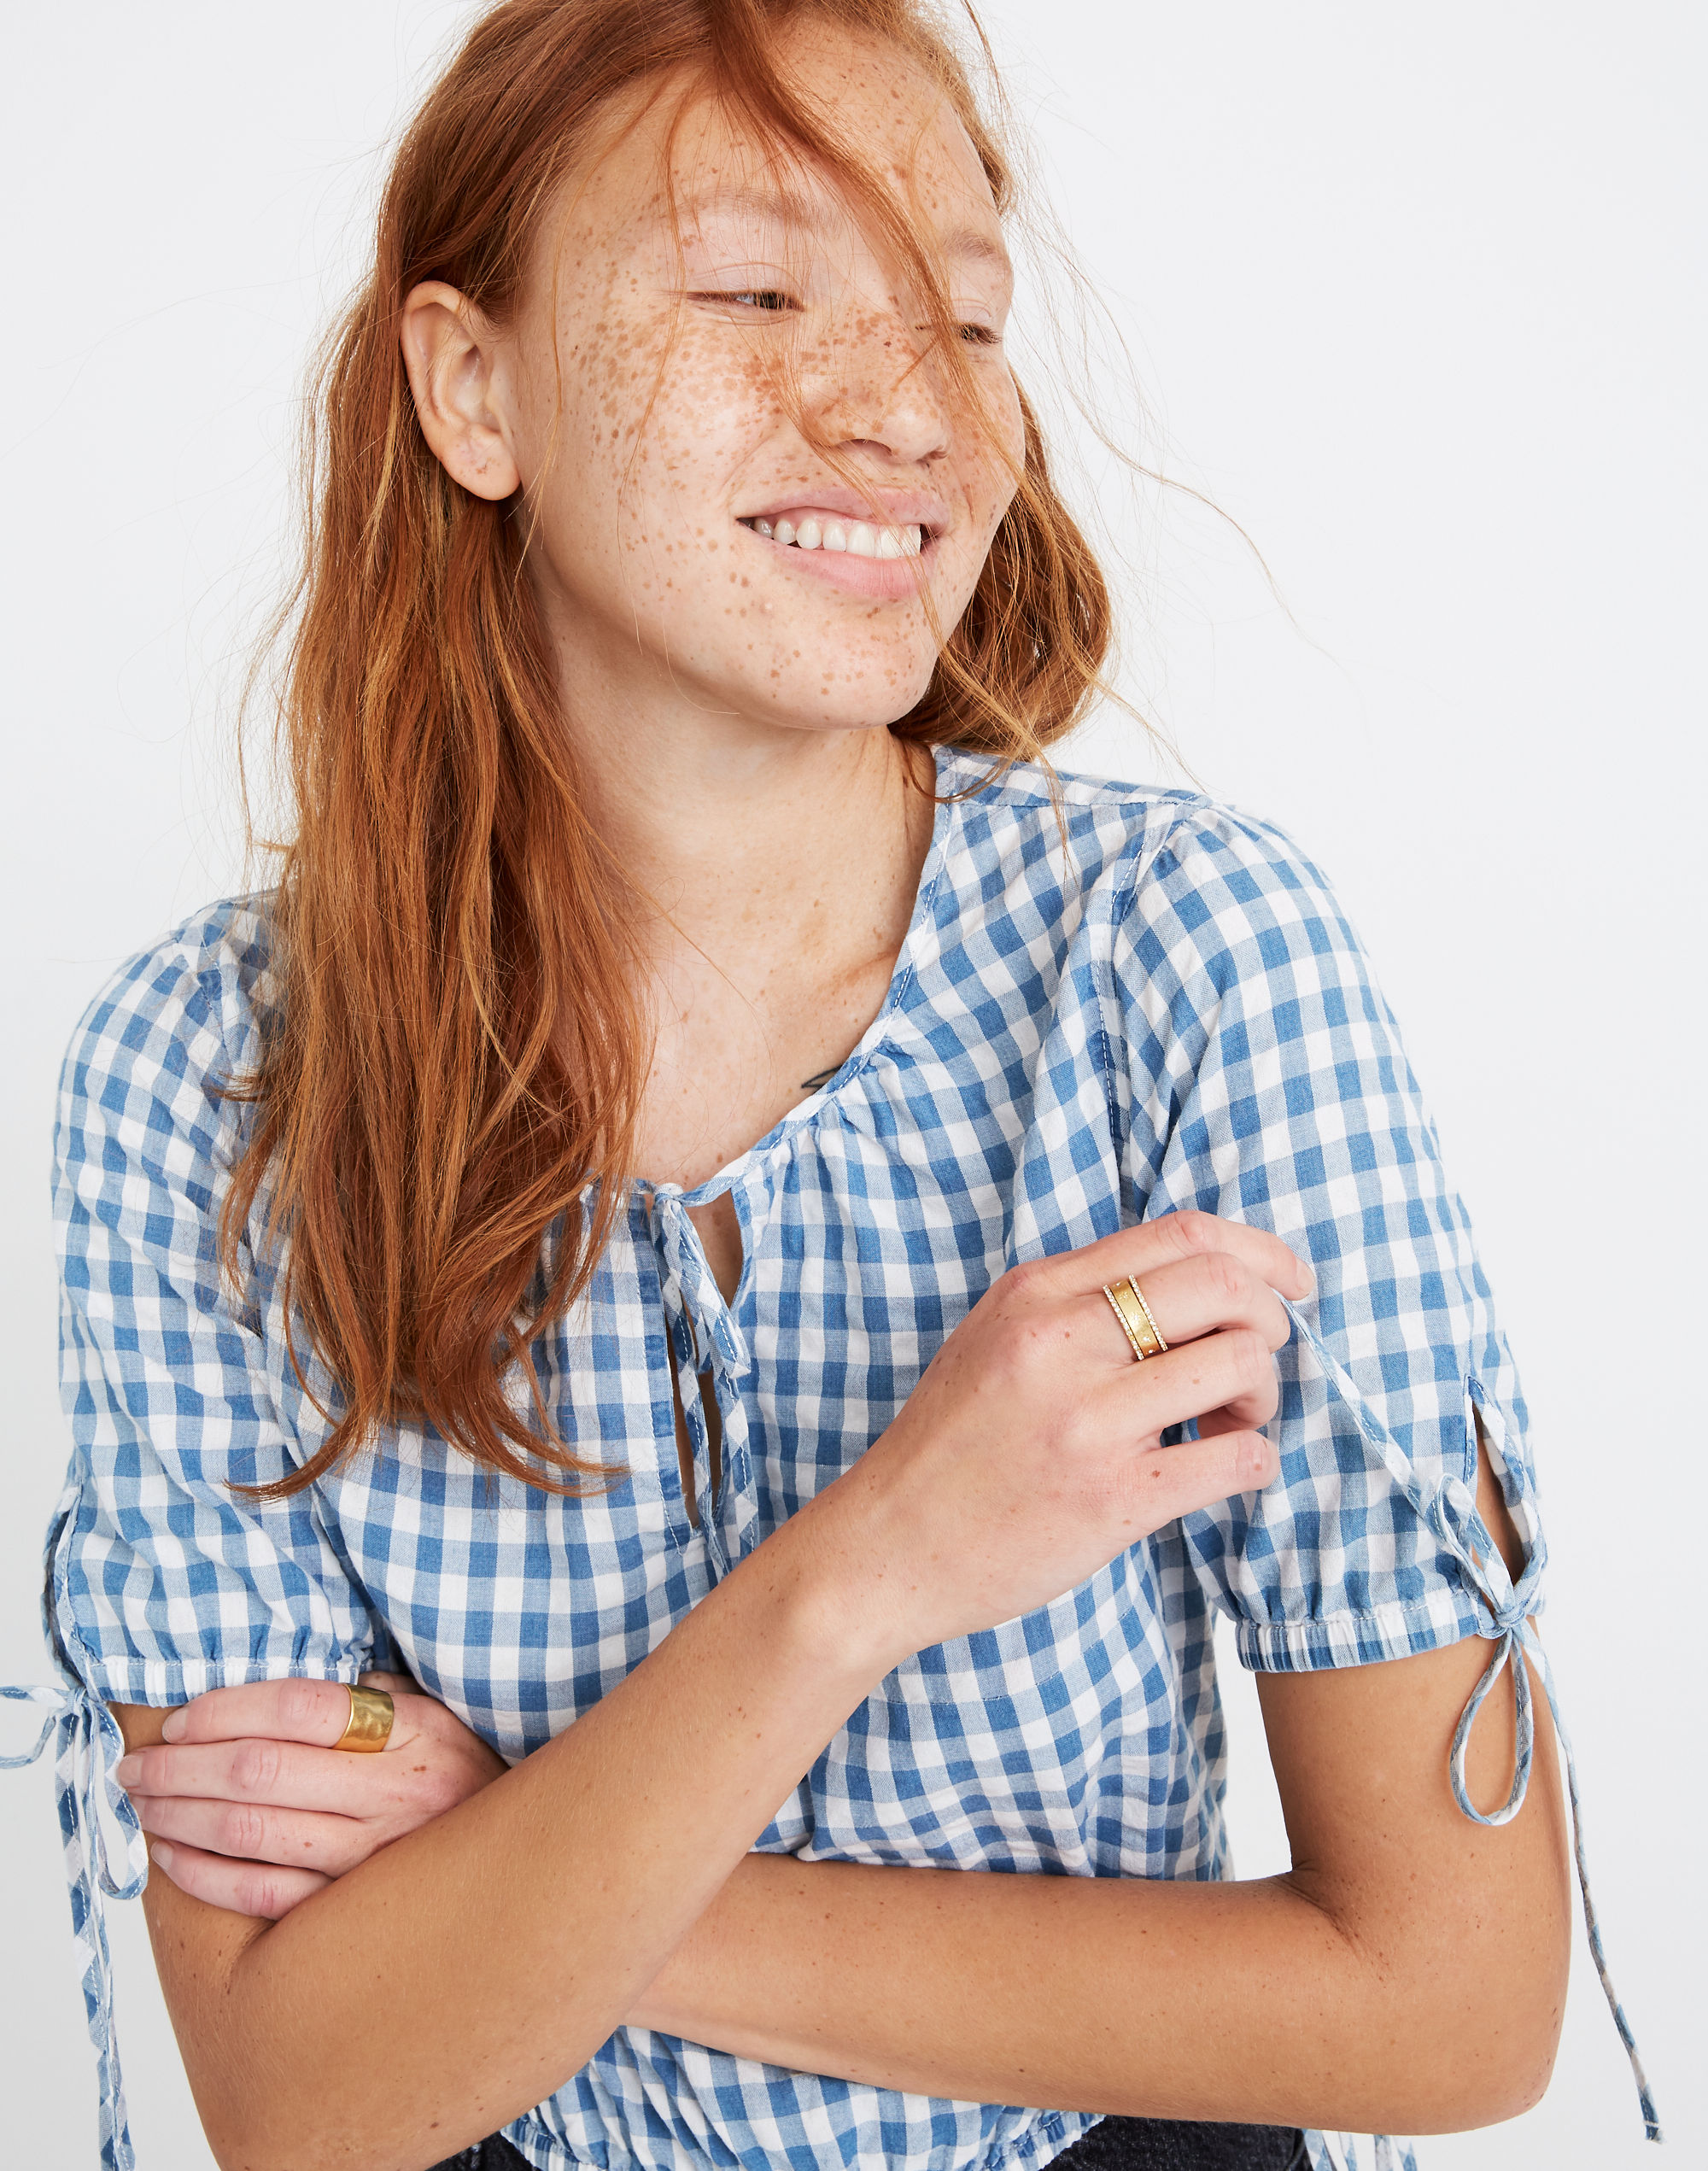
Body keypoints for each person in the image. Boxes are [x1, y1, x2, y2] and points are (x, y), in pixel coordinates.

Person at [0, 3, 1660, 2169]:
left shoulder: (1189, 961)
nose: (906, 412)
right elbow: (302, 2095)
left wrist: (516, 1863)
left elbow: (1449, 1997)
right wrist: (868, 1563)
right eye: (754, 285)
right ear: (469, 385)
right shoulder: (201, 1082)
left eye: (962, 318)